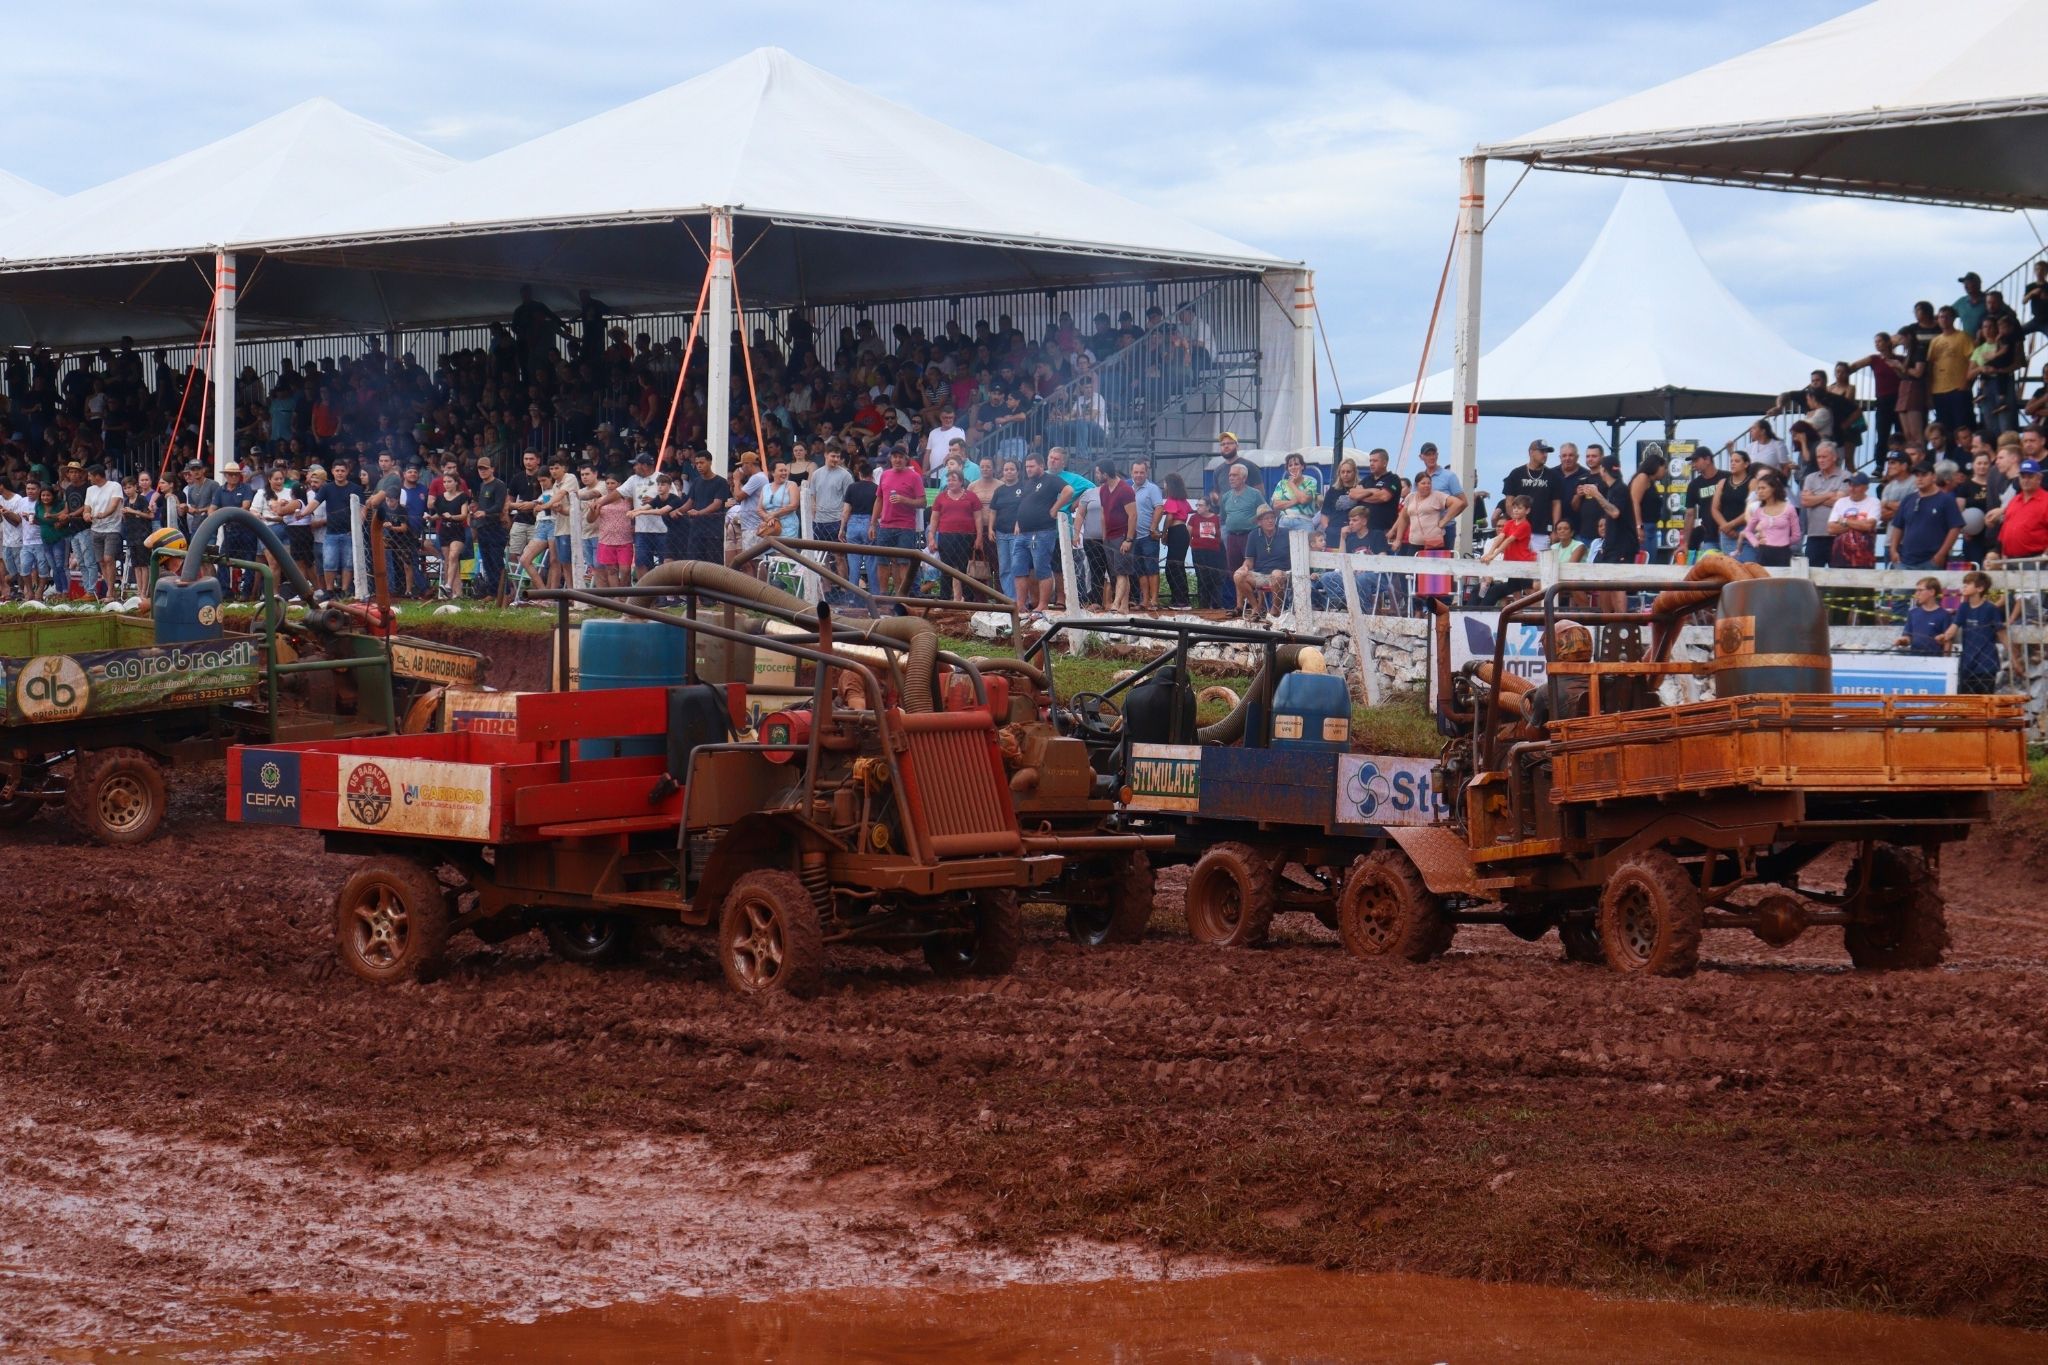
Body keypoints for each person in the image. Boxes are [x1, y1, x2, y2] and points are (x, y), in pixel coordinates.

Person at [1008, 452, 1069, 617]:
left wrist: (1055, 508)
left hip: (1042, 532)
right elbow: (1024, 505)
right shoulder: (1028, 484)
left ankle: (1043, 605)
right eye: (1026, 466)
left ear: (1041, 466)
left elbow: (1069, 491)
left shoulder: (1051, 479)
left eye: (1031, 466)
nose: (1028, 469)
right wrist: (1018, 523)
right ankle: (1020, 604)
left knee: (1042, 568)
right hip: (1022, 533)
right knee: (1018, 569)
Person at [874, 445, 927, 602]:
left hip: (906, 526)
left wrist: (905, 500)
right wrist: (872, 523)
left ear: (906, 458)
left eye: (900, 457)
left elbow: (923, 502)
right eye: (894, 456)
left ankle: (903, 598)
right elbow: (879, 499)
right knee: (882, 562)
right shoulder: (885, 475)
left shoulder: (914, 477)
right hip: (885, 524)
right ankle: (883, 597)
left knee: (904, 562)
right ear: (890, 459)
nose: (897, 460)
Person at [1889, 462, 1964, 570]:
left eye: (1924, 475)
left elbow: (1955, 528)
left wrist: (1941, 554)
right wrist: (1893, 550)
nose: (1919, 479)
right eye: (1917, 476)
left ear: (1933, 477)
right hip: (1905, 560)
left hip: (1931, 560)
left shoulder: (1946, 500)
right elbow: (1897, 526)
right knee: (1900, 587)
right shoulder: (1908, 499)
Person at [1944, 570, 2006, 694]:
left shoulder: (1991, 609)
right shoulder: (1963, 607)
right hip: (1967, 662)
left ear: (1980, 588)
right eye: (1964, 584)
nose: (1964, 586)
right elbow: (1952, 629)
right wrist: (1943, 636)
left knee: (1984, 701)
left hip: (1986, 663)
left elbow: (2002, 635)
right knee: (1965, 701)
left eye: (1968, 584)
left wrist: (2014, 660)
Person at [926, 465, 983, 599]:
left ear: (961, 481)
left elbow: (978, 518)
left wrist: (979, 537)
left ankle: (968, 600)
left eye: (954, 479)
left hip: (966, 537)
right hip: (946, 536)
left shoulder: (971, 496)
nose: (950, 482)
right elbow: (934, 518)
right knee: (946, 569)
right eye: (949, 480)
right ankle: (944, 600)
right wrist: (931, 537)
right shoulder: (941, 497)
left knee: (964, 569)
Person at [1232, 505, 1290, 620]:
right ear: (1259, 522)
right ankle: (1256, 607)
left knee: (1276, 574)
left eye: (1272, 517)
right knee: (1238, 576)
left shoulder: (1286, 533)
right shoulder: (1253, 535)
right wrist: (1244, 567)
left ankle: (1275, 610)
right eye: (1266, 518)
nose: (1270, 520)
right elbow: (1249, 561)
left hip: (1283, 573)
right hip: (1261, 574)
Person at [1500, 440, 1562, 544]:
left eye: (1547, 452)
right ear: (1531, 452)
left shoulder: (1553, 476)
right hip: (1519, 531)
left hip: (1542, 532)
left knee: (1541, 560)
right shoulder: (1516, 474)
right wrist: (1515, 525)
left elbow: (1556, 504)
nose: (1545, 455)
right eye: (1542, 452)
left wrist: (1555, 530)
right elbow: (1509, 501)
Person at [1477, 495, 1536, 605]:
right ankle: (1519, 612)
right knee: (1515, 590)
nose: (1516, 510)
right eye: (1514, 508)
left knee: (1528, 590)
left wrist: (1492, 556)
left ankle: (1538, 612)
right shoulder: (1509, 523)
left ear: (1527, 511)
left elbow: (1509, 540)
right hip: (1511, 561)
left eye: (1519, 508)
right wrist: (1490, 553)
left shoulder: (1525, 525)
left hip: (1523, 562)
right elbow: (1500, 537)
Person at [1797, 441, 1848, 567]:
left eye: (1824, 457)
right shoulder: (1810, 478)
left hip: (1837, 536)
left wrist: (1814, 497)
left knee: (1838, 578)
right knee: (1812, 578)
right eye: (1818, 457)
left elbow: (1839, 503)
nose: (1820, 460)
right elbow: (1805, 501)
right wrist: (1828, 495)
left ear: (1834, 457)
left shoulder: (1845, 476)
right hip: (1814, 535)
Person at [1739, 470, 1799, 568]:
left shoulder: (1789, 508)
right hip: (1764, 553)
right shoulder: (1759, 510)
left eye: (1763, 488)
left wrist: (1783, 541)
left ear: (1774, 488)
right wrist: (1756, 543)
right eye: (1758, 489)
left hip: (1783, 553)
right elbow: (1747, 531)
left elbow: (1796, 535)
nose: (1760, 491)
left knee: (1782, 581)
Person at [1152, 472, 1193, 610]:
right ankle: (1181, 598)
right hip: (1182, 532)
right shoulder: (1183, 501)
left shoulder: (1171, 500)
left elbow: (1169, 518)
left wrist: (1164, 533)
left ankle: (1180, 600)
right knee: (1177, 566)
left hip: (1176, 532)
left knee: (1173, 567)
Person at [841, 459, 882, 599]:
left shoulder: (852, 487)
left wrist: (842, 529)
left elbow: (846, 511)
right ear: (872, 475)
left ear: (859, 474)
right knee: (872, 563)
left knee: (853, 564)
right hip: (870, 523)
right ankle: (875, 597)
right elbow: (880, 511)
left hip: (853, 523)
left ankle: (852, 598)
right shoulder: (876, 488)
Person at [1218, 459, 1265, 575]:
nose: (1231, 478)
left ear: (1244, 478)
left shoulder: (1255, 494)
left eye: (1235, 475)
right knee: (1233, 571)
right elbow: (1223, 517)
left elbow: (1265, 513)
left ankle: (1252, 593)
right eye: (1230, 475)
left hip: (1250, 536)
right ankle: (1238, 593)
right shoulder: (1226, 497)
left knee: (1251, 570)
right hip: (1232, 537)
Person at [1825, 472, 1881, 569]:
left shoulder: (1874, 502)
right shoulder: (1841, 502)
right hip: (1840, 559)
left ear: (1866, 488)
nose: (1852, 488)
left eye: (1856, 485)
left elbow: (1868, 526)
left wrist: (1844, 521)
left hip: (1864, 559)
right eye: (1850, 485)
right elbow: (1831, 528)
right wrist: (1858, 523)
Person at [83, 466, 124, 598]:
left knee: (108, 558)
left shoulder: (115, 486)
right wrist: (86, 514)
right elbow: (87, 507)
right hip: (95, 528)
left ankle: (110, 591)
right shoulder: (90, 490)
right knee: (101, 561)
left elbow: (113, 506)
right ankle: (110, 589)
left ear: (97, 476)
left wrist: (103, 514)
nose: (88, 479)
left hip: (112, 527)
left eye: (90, 476)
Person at [1996, 459, 2048, 560]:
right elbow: (2005, 530)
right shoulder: (2014, 501)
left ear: (2039, 478)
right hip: (2010, 561)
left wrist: (2045, 557)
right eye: (2022, 476)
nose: (2025, 480)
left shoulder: (2046, 500)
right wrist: (2002, 555)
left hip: (2037, 561)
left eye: (2030, 476)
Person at [1129, 460, 1164, 609]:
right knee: (1140, 570)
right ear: (1131, 473)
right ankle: (1144, 600)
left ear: (1146, 473)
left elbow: (1159, 508)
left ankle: (1154, 600)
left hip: (1148, 537)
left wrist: (1153, 527)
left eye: (1141, 472)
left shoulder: (1152, 489)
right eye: (1136, 472)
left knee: (1152, 568)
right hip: (1134, 537)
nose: (1138, 475)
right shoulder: (1129, 489)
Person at [591, 474, 636, 588]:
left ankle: (623, 593)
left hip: (625, 540)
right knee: (611, 570)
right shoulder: (600, 500)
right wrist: (592, 510)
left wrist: (634, 525)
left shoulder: (628, 500)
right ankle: (616, 597)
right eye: (608, 483)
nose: (610, 486)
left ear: (619, 485)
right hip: (606, 540)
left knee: (625, 570)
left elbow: (636, 512)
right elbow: (590, 519)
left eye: (613, 483)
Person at [1189, 489, 1227, 610]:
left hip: (1213, 553)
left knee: (1214, 578)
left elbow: (1220, 535)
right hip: (1198, 552)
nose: (1198, 507)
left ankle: (1216, 604)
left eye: (1201, 505)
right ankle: (1203, 604)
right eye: (1197, 505)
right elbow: (1188, 533)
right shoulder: (1193, 518)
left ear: (1208, 507)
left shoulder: (1216, 518)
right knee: (1201, 577)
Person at [1711, 450, 1753, 559]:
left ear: (1746, 464)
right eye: (1731, 461)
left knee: (1747, 566)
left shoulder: (1752, 482)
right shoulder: (1723, 482)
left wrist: (1730, 525)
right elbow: (1714, 508)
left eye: (1737, 461)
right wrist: (1725, 527)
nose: (1733, 463)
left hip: (1745, 530)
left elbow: (1751, 509)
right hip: (1726, 532)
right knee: (1731, 568)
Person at [1269, 452, 1320, 535]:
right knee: (1283, 547)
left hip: (1304, 521)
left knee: (1305, 547)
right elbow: (1276, 505)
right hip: (1284, 521)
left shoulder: (1310, 481)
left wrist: (1292, 484)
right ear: (1287, 468)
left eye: (1296, 464)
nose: (1293, 467)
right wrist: (1297, 500)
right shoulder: (1282, 483)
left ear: (1302, 466)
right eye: (1290, 465)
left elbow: (1304, 500)